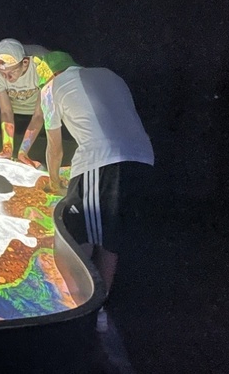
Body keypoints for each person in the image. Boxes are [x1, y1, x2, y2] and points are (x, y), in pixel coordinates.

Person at [34, 51, 154, 331]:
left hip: (102, 161)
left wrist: (54, 182)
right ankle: (99, 312)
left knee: (78, 235)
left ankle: (79, 312)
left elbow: (54, 147)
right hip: (144, 159)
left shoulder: (50, 88)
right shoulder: (110, 75)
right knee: (111, 238)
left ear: (49, 75)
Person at [0, 38, 49, 167]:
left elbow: (39, 114)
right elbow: (6, 112)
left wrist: (23, 152)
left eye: (12, 72)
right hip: (15, 110)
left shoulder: (41, 65)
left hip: (42, 111)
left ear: (25, 63)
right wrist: (7, 149)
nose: (7, 78)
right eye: (2, 73)